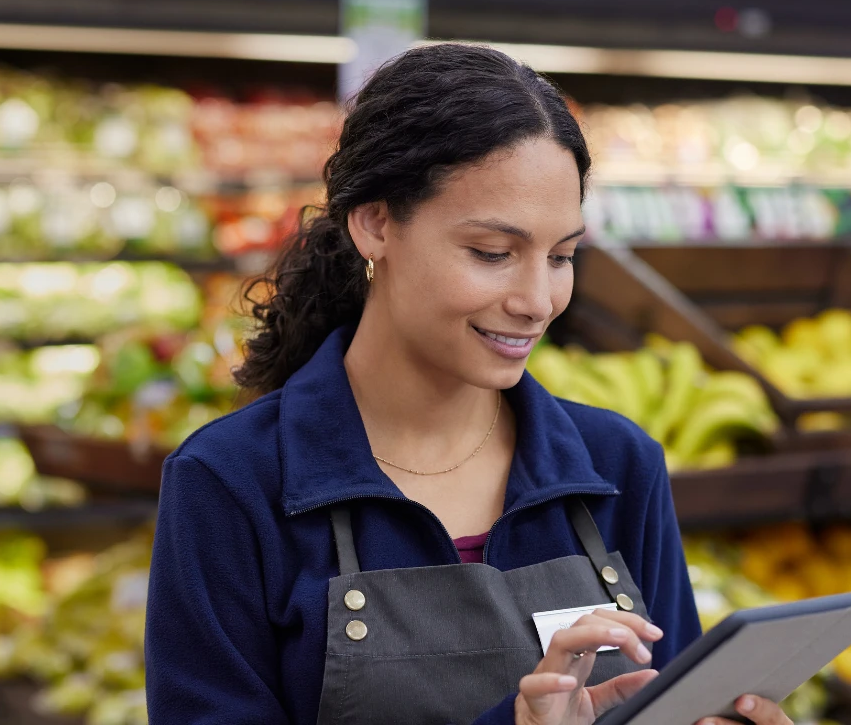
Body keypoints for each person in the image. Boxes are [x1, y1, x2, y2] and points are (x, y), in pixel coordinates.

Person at [145, 43, 793, 725]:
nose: (538, 300)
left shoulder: (618, 466)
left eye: (562, 256)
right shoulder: (230, 483)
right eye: (492, 253)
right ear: (375, 222)